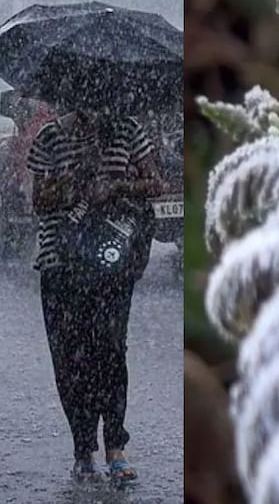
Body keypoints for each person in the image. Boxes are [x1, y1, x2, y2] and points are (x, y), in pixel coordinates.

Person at [28, 105, 165, 486]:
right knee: (70, 359)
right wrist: (76, 182)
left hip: (111, 263)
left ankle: (115, 447)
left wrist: (118, 186)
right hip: (61, 264)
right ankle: (83, 447)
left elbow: (156, 183)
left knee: (111, 352)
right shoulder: (51, 136)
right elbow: (38, 199)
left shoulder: (128, 128)